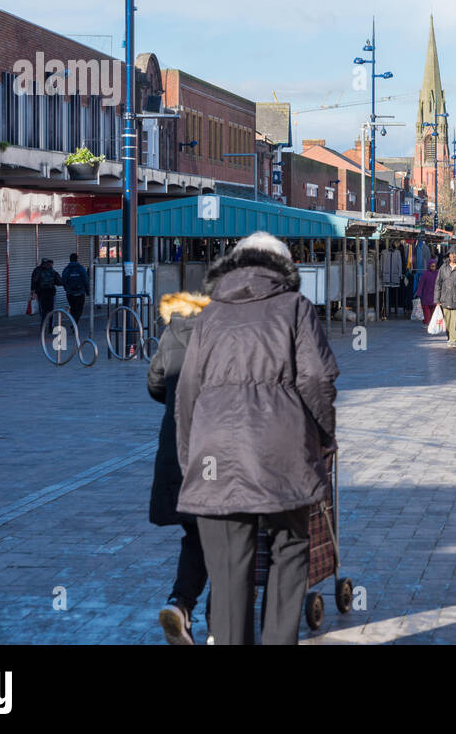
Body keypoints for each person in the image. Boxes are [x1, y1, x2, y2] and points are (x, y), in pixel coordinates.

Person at [175, 231, 340, 646]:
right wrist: (323, 437)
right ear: (284, 268)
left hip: (214, 456)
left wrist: (190, 463)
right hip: (282, 451)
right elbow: (318, 378)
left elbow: (185, 394)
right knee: (290, 550)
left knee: (229, 572)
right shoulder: (296, 308)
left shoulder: (208, 316)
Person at [148, 290, 212, 645]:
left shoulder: (175, 331)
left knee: (196, 535)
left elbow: (155, 384)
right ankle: (221, 623)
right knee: (231, 537)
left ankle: (180, 605)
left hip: (177, 454)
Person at [30, 258, 61, 328]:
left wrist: (32, 291)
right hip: (51, 293)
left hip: (41, 293)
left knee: (43, 311)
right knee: (51, 310)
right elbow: (59, 282)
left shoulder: (37, 270)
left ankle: (43, 326)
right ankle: (51, 327)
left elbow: (33, 281)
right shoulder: (52, 271)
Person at [60, 253, 90, 324]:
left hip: (70, 293)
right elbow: (86, 280)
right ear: (77, 259)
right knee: (79, 309)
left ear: (70, 259)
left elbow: (63, 281)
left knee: (73, 308)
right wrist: (87, 291)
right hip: (80, 293)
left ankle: (73, 322)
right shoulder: (81, 268)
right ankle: (75, 322)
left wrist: (67, 289)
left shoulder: (67, 269)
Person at [418, 258, 439, 329]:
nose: (433, 268)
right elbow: (421, 284)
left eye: (434, 266)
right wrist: (419, 293)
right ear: (429, 266)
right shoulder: (425, 274)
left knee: (433, 312)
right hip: (426, 296)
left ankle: (430, 323)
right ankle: (427, 322)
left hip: (434, 296)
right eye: (432, 266)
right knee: (427, 312)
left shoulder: (437, 273)